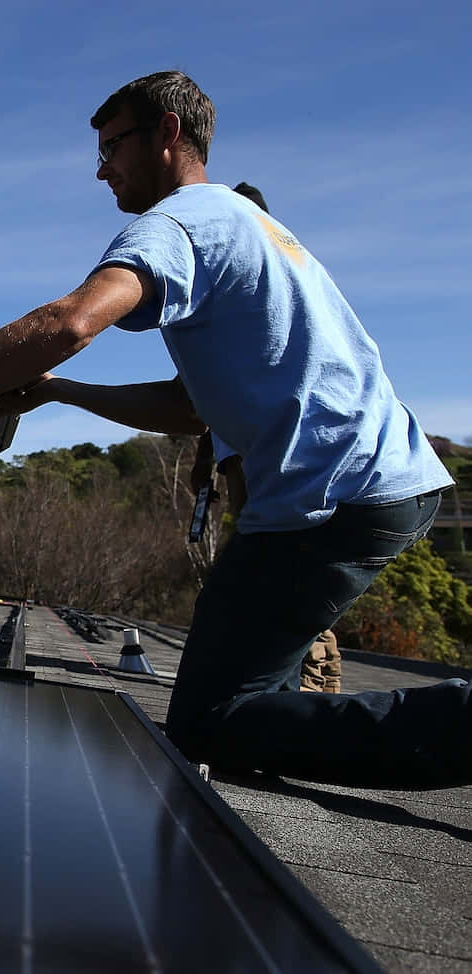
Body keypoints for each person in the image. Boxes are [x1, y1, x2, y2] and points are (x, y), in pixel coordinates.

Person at [0, 71, 464, 788]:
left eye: (113, 147)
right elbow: (189, 410)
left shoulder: (185, 220)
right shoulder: (246, 226)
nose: (103, 169)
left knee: (215, 721)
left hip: (331, 494)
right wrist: (62, 394)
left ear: (169, 135)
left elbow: (69, 321)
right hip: (363, 485)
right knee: (233, 704)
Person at [187, 182, 342, 694]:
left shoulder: (275, 288)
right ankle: (272, 679)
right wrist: (204, 459)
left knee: (286, 576)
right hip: (244, 472)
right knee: (260, 572)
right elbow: (217, 400)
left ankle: (309, 678)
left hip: (285, 476)